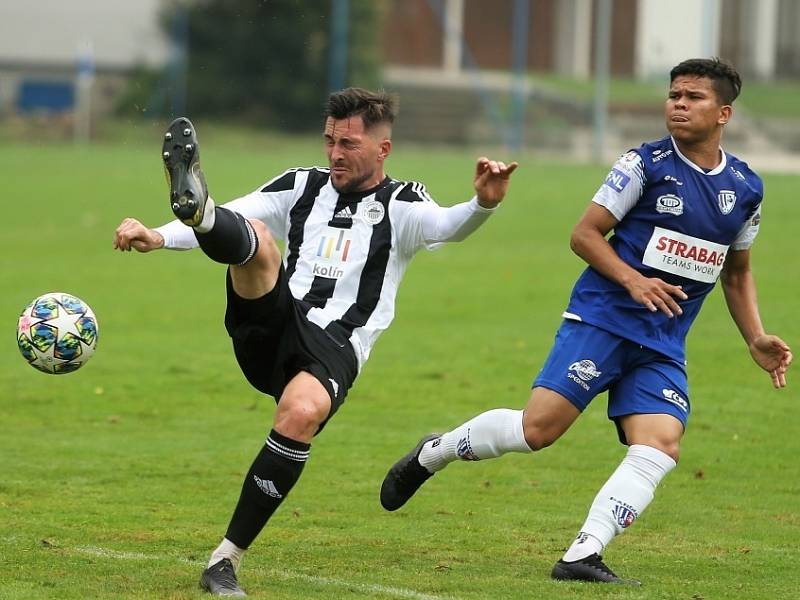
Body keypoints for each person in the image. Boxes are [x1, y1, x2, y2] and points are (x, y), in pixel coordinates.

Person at [380, 58, 793, 585]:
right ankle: (435, 452)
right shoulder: (642, 165)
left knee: (661, 443)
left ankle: (582, 554)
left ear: (724, 113)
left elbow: (737, 272)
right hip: (603, 319)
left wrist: (755, 336)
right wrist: (634, 280)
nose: (679, 105)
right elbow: (585, 234)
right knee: (536, 431)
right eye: (674, 95)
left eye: (693, 97)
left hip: (663, 340)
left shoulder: (747, 186)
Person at [113, 87, 518, 596]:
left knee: (301, 413)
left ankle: (223, 562)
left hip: (334, 347)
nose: (334, 154)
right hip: (275, 317)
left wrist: (483, 203)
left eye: (348, 143)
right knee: (256, 238)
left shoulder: (403, 203)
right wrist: (159, 234)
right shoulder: (302, 185)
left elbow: (447, 225)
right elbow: (239, 212)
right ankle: (199, 210)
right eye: (329, 140)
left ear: (382, 149)